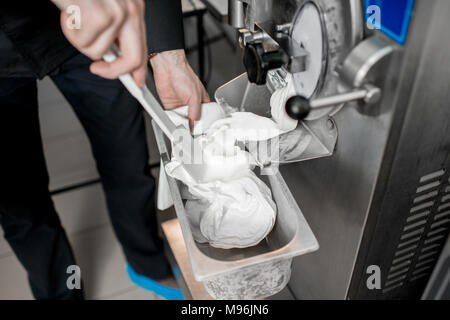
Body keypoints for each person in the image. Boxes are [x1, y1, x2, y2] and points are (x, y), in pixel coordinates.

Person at [0, 0, 209, 299]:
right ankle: (63, 292)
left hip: (84, 29)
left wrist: (168, 56)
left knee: (128, 162)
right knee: (20, 203)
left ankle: (146, 263)